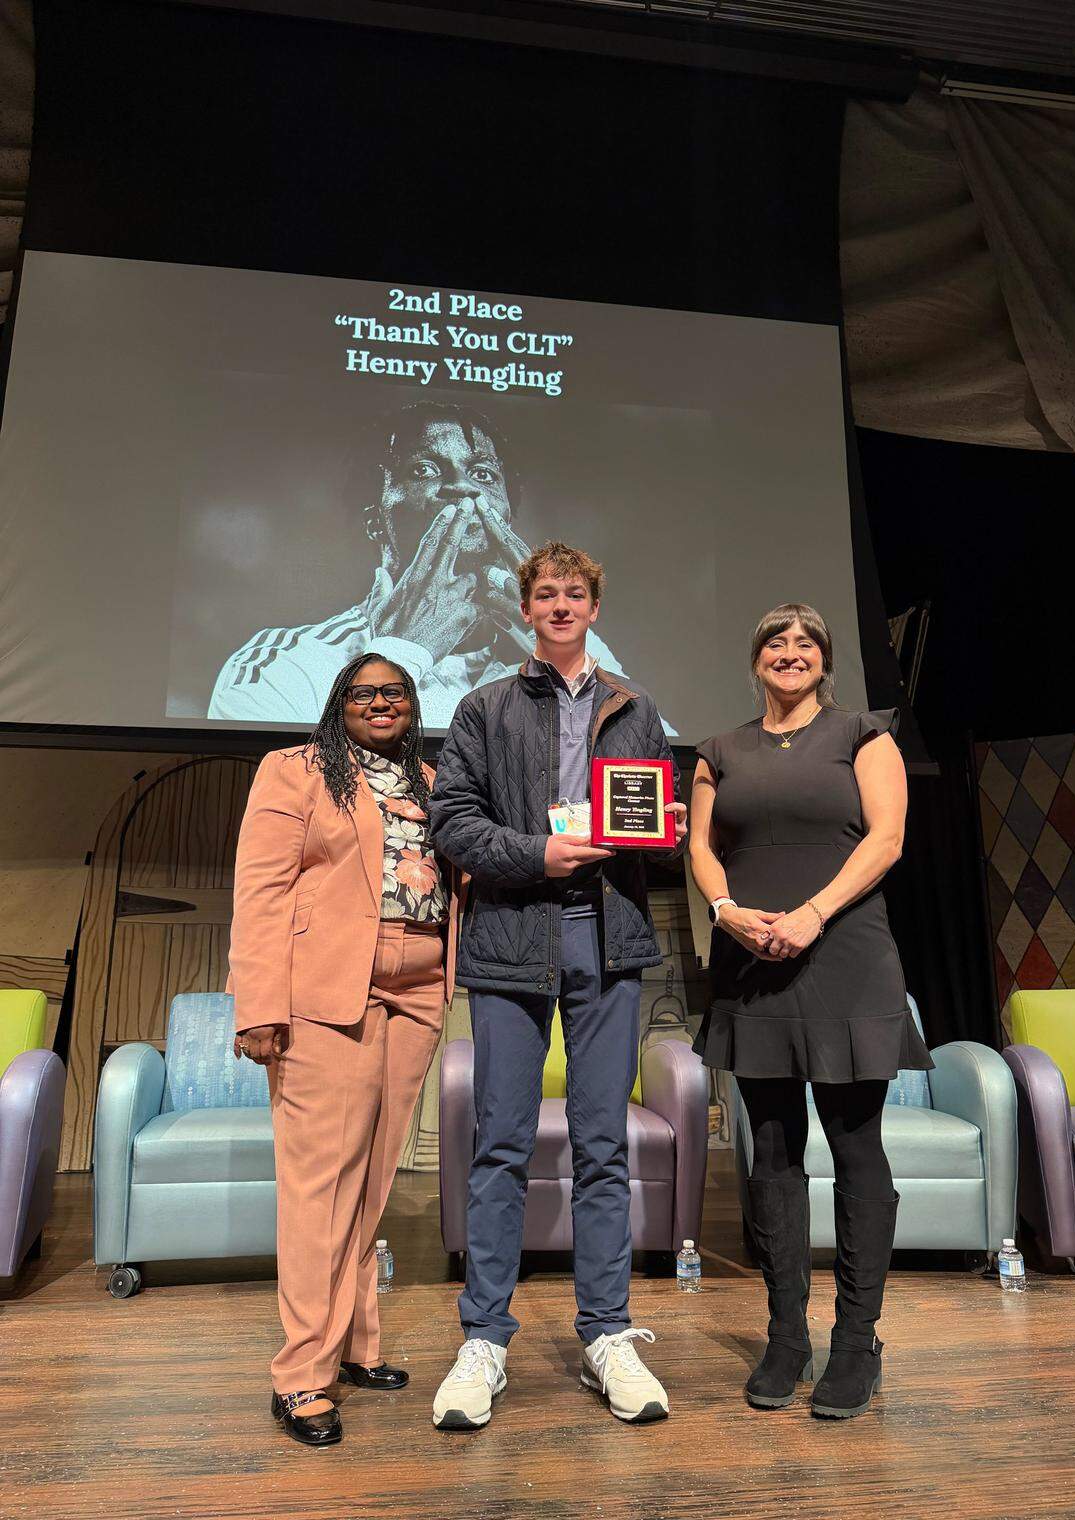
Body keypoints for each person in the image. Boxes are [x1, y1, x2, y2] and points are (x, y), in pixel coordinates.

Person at [426, 541, 687, 1431]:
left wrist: (668, 828)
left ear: (594, 609)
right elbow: (452, 822)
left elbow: (655, 820)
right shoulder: (484, 706)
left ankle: (606, 1335)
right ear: (526, 610)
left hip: (607, 945)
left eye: (575, 593)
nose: (561, 605)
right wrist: (536, 853)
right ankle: (485, 1341)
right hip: (510, 943)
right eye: (546, 593)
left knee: (602, 1145)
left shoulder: (636, 706)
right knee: (499, 1143)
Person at [688, 602, 932, 1421]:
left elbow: (887, 839)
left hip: (845, 955)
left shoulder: (866, 735)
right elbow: (701, 849)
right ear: (755, 659)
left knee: (857, 1147)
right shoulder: (719, 751)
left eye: (805, 643)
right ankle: (787, 1336)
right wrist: (726, 911)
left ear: (825, 662)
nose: (790, 652)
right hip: (753, 961)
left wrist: (813, 913)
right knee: (773, 1150)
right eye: (774, 642)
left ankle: (856, 1342)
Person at [229, 652, 457, 1446]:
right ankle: (299, 1375)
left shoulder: (429, 779)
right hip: (328, 993)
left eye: (395, 692)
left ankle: (356, 1344)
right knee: (319, 1185)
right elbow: (259, 891)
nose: (381, 703)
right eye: (364, 693)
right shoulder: (294, 770)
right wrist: (258, 1006)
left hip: (418, 991)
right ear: (338, 703)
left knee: (371, 1181)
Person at [207, 400, 651, 729]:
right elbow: (302, 805)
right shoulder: (284, 663)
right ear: (373, 519)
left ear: (506, 513)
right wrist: (404, 653)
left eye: (482, 474)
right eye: (423, 470)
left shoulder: (564, 664)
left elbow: (644, 776)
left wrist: (575, 649)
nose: (464, 489)